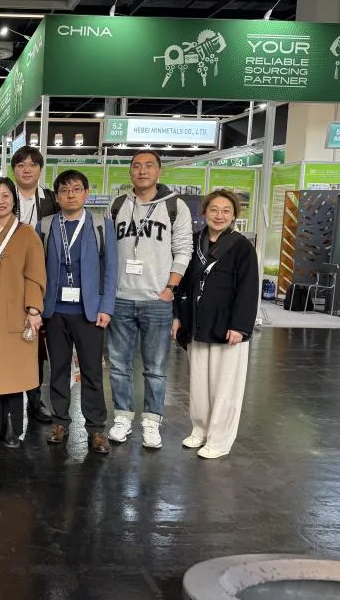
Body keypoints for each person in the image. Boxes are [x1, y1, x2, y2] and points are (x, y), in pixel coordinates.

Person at [107, 150, 192, 449]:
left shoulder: (175, 206)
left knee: (155, 368)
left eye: (149, 165)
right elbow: (108, 250)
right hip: (120, 298)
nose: (142, 171)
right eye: (136, 166)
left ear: (159, 171)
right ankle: (122, 417)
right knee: (118, 365)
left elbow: (183, 250)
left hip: (157, 299)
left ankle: (152, 421)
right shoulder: (117, 204)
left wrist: (170, 288)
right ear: (130, 171)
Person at [171, 190, 258, 459]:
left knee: (225, 387)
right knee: (199, 383)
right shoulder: (194, 242)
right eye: (214, 209)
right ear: (204, 212)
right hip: (197, 324)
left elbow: (248, 289)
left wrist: (240, 327)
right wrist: (177, 317)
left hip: (227, 327)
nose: (219, 215)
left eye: (226, 211)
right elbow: (182, 283)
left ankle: (219, 440)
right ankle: (200, 429)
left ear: (234, 216)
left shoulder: (242, 247)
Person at [37, 170, 117, 454]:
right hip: (54, 311)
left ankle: (96, 428)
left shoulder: (101, 225)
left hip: (89, 312)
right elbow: (36, 268)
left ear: (86, 193)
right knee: (58, 369)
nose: (70, 195)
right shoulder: (45, 225)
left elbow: (111, 269)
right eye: (64, 190)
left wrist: (106, 306)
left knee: (92, 371)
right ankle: (60, 422)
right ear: (57, 196)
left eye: (76, 189)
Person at [0, 177, 46, 449]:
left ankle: (13, 425)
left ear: (14, 200)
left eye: (6, 196)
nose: (0, 201)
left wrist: (34, 309)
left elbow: (35, 275)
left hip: (16, 314)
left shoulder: (27, 234)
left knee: (14, 372)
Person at [12, 145, 58, 423]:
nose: (26, 169)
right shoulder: (5, 195)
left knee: (37, 344)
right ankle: (10, 399)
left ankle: (35, 398)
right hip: (10, 280)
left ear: (40, 169)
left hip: (43, 279)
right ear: (14, 170)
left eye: (32, 164)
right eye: (21, 165)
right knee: (10, 341)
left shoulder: (51, 200)